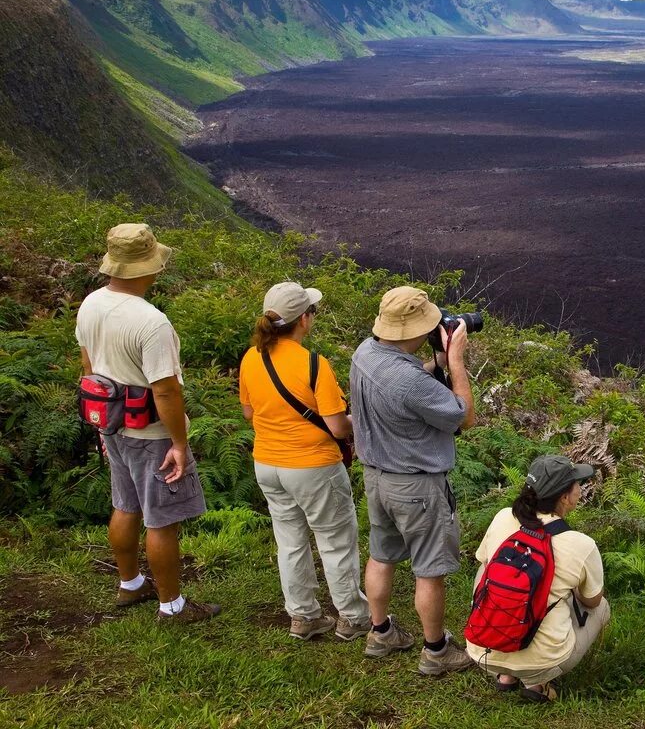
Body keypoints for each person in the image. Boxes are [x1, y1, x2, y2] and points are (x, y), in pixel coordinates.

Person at [75, 223, 219, 623]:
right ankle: (172, 606)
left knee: (125, 504)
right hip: (151, 432)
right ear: (146, 269)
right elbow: (167, 391)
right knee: (161, 518)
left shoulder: (91, 304)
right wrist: (179, 442)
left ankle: (130, 583)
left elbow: (89, 367)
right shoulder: (151, 322)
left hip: (113, 424)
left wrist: (103, 423)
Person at [350, 286, 477, 674]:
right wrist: (454, 361)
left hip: (377, 478)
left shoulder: (365, 353)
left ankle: (380, 631)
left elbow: (407, 383)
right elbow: (464, 416)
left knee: (381, 555)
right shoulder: (410, 382)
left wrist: (434, 361)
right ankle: (436, 652)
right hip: (417, 487)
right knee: (429, 570)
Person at [238, 282, 371, 642]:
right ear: (304, 320)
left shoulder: (251, 357)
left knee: (290, 541)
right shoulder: (314, 364)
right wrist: (358, 420)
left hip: (267, 463)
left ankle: (303, 616)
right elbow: (337, 426)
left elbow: (249, 412)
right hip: (313, 466)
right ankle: (353, 617)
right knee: (335, 541)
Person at [467, 454, 610, 703]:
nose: (580, 488)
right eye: (577, 483)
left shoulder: (502, 517)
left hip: (482, 651)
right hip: (544, 660)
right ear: (565, 497)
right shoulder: (581, 544)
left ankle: (505, 674)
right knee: (601, 606)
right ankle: (537, 682)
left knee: (486, 568)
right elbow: (592, 602)